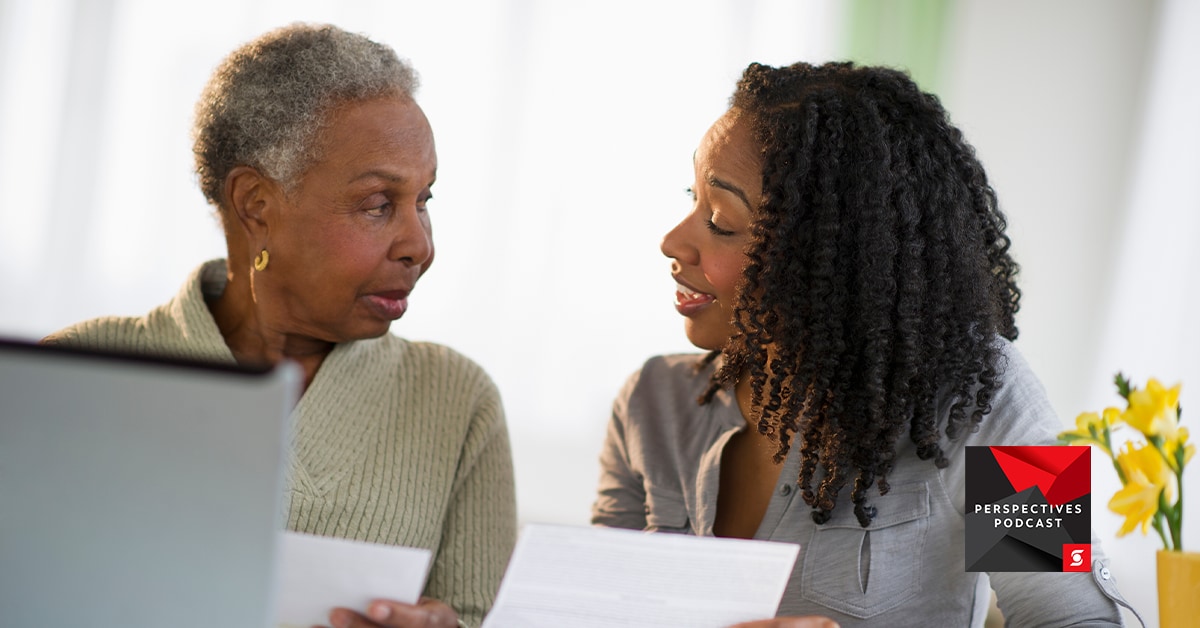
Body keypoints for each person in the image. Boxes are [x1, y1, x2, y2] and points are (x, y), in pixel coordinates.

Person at [592, 61, 1141, 626]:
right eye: (693, 198)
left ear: (836, 258)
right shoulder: (649, 405)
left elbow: (1077, 619)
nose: (671, 241)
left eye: (721, 221)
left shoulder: (983, 400)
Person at [43, 23, 516, 628]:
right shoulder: (76, 375)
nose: (419, 246)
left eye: (423, 201)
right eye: (378, 204)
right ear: (256, 205)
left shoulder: (456, 402)